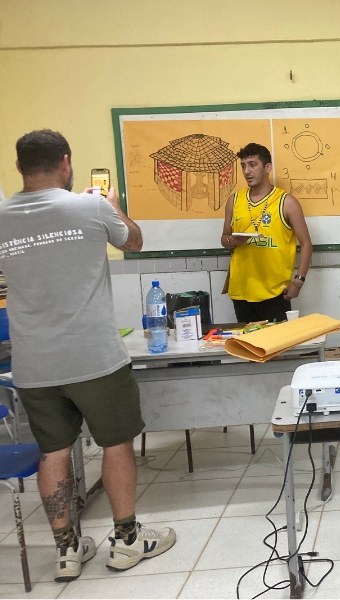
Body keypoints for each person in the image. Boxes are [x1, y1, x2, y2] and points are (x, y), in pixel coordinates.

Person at [0, 130, 176, 581]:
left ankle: (67, 549)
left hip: (34, 364)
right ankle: (128, 539)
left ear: (19, 167)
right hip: (94, 356)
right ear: (66, 162)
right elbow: (133, 241)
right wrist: (111, 202)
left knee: (52, 451)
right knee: (116, 444)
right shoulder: (90, 206)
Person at [221, 143, 313, 323]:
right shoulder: (235, 200)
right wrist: (231, 241)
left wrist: (298, 282)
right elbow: (224, 237)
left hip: (275, 292)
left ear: (267, 168)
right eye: (243, 166)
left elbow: (306, 243)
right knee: (249, 348)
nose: (247, 171)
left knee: (279, 348)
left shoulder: (286, 202)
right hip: (241, 291)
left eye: (253, 165)